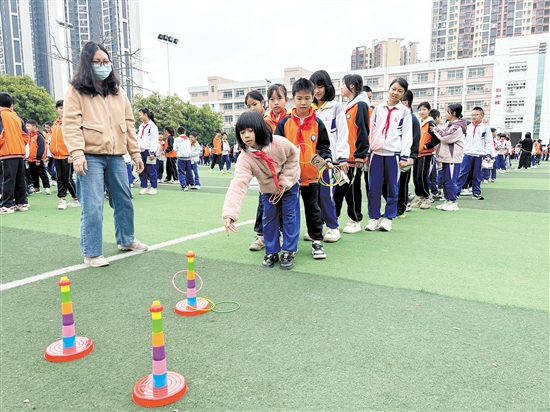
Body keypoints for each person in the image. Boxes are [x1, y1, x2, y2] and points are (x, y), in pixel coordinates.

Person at [62, 41, 148, 267]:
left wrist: (136, 154)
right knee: (93, 205)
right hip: (90, 155)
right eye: (97, 62)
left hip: (117, 155)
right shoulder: (76, 91)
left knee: (124, 200)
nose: (103, 66)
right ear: (87, 65)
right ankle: (91, 253)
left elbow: (129, 124)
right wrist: (77, 153)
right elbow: (70, 124)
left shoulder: (117, 91)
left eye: (106, 61)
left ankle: (126, 240)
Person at [223, 111, 300, 270]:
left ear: (259, 128)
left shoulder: (278, 143)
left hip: (289, 185)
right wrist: (230, 213)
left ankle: (288, 251)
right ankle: (271, 251)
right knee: (269, 217)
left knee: (290, 214)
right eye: (242, 132)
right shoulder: (245, 158)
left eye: (250, 130)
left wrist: (285, 180)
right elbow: (238, 184)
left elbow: (294, 156)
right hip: (269, 190)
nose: (246, 135)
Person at [275, 78, 333, 260]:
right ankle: (288, 240)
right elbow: (276, 146)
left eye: (307, 98)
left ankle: (316, 241)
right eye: (299, 98)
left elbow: (324, 147)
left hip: (311, 176)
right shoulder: (284, 123)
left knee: (313, 209)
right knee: (288, 210)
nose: (303, 102)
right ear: (293, 98)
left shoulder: (318, 124)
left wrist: (326, 159)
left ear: (313, 98)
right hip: (289, 178)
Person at [365, 77, 412, 232]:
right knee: (374, 187)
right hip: (376, 153)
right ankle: (373, 218)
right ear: (389, 88)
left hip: (393, 155)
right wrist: (368, 151)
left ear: (403, 94)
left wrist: (405, 156)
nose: (395, 93)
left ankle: (388, 218)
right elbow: (371, 131)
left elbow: (406, 135)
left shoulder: (405, 112)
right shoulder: (378, 109)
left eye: (400, 91)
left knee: (392, 187)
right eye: (394, 89)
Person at [333, 73, 367, 234]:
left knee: (352, 190)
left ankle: (355, 220)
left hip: (353, 158)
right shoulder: (348, 106)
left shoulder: (360, 105)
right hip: (343, 158)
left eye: (343, 84)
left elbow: (362, 131)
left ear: (352, 86)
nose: (341, 87)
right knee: (339, 190)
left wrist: (360, 155)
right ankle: (334, 220)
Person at [430, 103, 466, 211]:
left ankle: (453, 202)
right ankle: (447, 200)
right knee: (445, 180)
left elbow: (445, 137)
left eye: (447, 111)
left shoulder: (457, 126)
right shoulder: (449, 124)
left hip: (452, 158)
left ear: (454, 113)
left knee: (451, 180)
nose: (445, 114)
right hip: (446, 157)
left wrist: (436, 129)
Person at [245, 90, 269, 251]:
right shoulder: (251, 125)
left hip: (278, 170)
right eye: (249, 106)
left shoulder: (269, 121)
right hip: (262, 172)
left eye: (255, 104)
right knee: (263, 203)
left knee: (281, 205)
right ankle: (260, 235)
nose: (252, 108)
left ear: (263, 103)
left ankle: (278, 234)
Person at [455, 107, 494, 200]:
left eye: (476, 115)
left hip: (479, 155)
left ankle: (476, 192)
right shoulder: (467, 127)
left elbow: (488, 142)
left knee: (477, 175)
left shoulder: (485, 128)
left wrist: (488, 154)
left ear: (482, 116)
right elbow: (462, 140)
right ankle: (456, 191)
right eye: (472, 115)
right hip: (467, 153)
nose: (474, 117)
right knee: (463, 173)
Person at [0, 92, 29, 214]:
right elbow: (25, 136)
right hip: (19, 152)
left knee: (6, 180)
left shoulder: (1, 116)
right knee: (19, 179)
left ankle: (7, 205)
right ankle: (21, 203)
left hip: (6, 153)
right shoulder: (17, 117)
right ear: (11, 104)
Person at [49, 99, 80, 209]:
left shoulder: (70, 122)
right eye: (60, 108)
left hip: (67, 155)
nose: (62, 110)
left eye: (64, 108)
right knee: (59, 178)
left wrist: (72, 154)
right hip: (56, 155)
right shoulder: (56, 123)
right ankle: (62, 199)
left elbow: (73, 138)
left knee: (67, 178)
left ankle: (76, 198)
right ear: (57, 109)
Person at [410, 101, 438, 209]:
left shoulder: (431, 123)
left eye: (424, 109)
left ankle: (426, 198)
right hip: (417, 153)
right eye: (420, 110)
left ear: (429, 111)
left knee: (422, 176)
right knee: (416, 177)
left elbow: (436, 138)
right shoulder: (420, 123)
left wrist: (427, 145)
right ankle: (421, 198)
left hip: (426, 154)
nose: (421, 112)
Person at [26, 119, 52, 196]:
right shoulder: (28, 136)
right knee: (33, 174)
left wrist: (38, 158)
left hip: (38, 159)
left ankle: (47, 187)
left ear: (34, 127)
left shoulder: (38, 136)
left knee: (42, 173)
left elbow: (41, 148)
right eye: (26, 126)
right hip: (30, 159)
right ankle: (36, 187)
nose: (27, 128)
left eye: (28, 126)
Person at [137, 108, 159, 194]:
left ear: (145, 114)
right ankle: (144, 186)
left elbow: (153, 140)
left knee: (151, 169)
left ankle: (153, 187)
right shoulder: (141, 126)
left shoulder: (152, 126)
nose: (140, 117)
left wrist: (152, 152)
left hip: (149, 151)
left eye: (140, 115)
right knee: (142, 169)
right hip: (141, 150)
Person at [174, 126, 192, 191]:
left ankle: (183, 185)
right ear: (185, 132)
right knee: (188, 171)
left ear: (178, 133)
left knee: (181, 172)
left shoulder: (177, 139)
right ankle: (188, 183)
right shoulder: (188, 139)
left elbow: (175, 149)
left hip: (181, 157)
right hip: (188, 157)